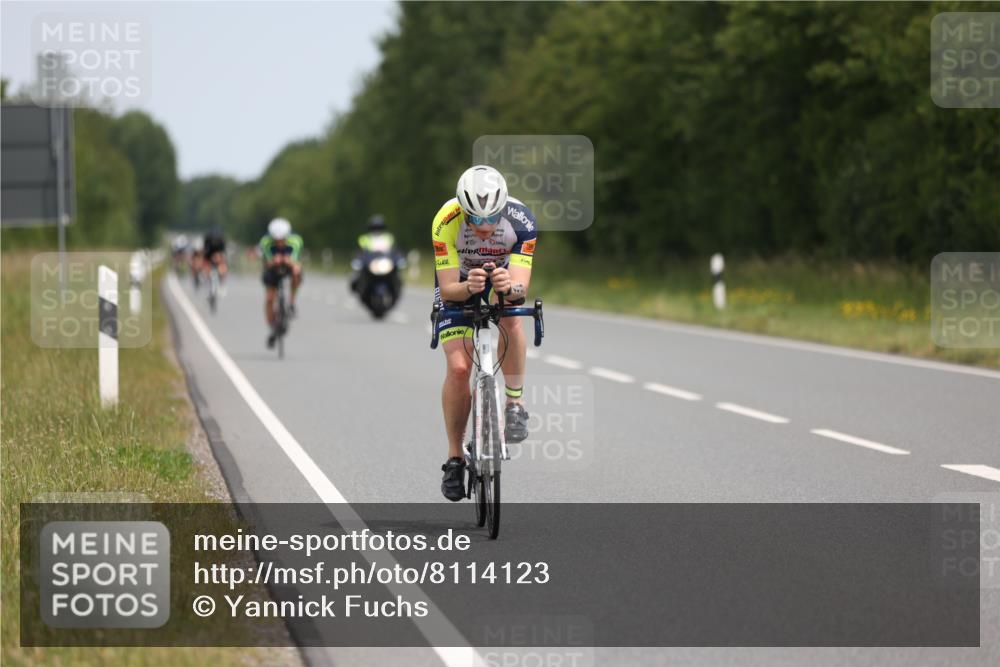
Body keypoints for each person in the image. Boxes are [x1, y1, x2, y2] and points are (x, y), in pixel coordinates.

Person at [432, 165, 538, 501]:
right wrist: (467, 287)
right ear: (462, 210)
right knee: (460, 367)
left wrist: (511, 287)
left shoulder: (522, 222)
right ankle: (454, 457)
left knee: (511, 317)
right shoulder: (445, 221)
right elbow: (449, 289)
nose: (484, 226)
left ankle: (515, 403)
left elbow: (521, 287)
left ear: (503, 206)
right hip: (460, 282)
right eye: (475, 218)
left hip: (501, 276)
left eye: (492, 216)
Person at [258, 218, 304, 348]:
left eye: (282, 240)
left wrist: (289, 262)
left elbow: (295, 262)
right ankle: (272, 327)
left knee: (296, 272)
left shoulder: (296, 241)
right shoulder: (266, 242)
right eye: (276, 240)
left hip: (289, 265)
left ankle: (291, 302)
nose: (279, 243)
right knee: (269, 298)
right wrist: (274, 261)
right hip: (272, 268)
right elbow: (267, 262)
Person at [351, 214, 402, 294]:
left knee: (397, 275)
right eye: (375, 228)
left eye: (379, 228)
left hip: (385, 261)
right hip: (370, 262)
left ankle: (395, 288)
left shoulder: (389, 237)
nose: (377, 230)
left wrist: (398, 258)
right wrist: (358, 259)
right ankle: (361, 289)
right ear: (371, 228)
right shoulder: (364, 238)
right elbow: (360, 252)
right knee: (357, 276)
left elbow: (394, 250)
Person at [202, 226, 228, 293]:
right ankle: (207, 281)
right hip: (209, 253)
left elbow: (223, 253)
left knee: (222, 266)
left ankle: (222, 282)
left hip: (218, 253)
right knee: (206, 267)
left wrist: (219, 260)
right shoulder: (208, 239)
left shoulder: (221, 241)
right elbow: (205, 251)